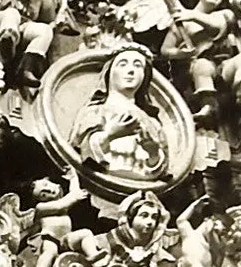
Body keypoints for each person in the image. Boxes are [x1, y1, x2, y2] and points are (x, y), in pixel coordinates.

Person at [70, 44, 169, 179]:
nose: (131, 71)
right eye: (123, 64)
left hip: (142, 187)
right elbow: (80, 151)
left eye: (138, 65)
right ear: (109, 73)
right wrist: (111, 135)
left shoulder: (151, 122)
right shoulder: (95, 111)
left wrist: (153, 152)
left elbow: (163, 172)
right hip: (101, 186)